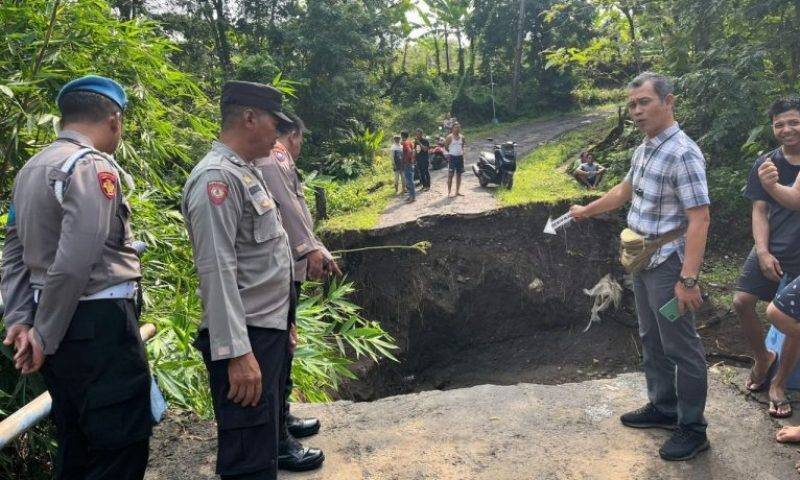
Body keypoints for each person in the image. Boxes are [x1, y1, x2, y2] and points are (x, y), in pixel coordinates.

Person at [1, 75, 152, 479]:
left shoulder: (31, 170)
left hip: (53, 324)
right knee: (119, 445)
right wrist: (42, 335)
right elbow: (74, 261)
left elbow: (13, 254)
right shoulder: (89, 166)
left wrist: (20, 319)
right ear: (114, 120)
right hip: (96, 326)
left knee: (77, 440)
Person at [569, 72, 711, 461]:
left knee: (682, 348)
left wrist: (688, 279)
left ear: (669, 102)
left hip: (670, 264)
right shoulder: (645, 148)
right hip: (643, 260)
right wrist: (586, 209)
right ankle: (664, 408)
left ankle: (693, 428)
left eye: (644, 102)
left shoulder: (683, 152)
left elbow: (700, 219)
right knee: (651, 338)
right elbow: (624, 191)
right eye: (632, 105)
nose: (636, 111)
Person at [181, 80, 295, 480]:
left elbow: (264, 260)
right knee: (247, 456)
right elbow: (217, 269)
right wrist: (236, 353)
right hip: (244, 338)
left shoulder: (245, 172)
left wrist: (285, 323)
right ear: (249, 117)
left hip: (265, 330)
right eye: (273, 123)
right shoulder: (216, 178)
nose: (278, 134)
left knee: (262, 447)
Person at [256, 111, 342, 472]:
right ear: (291, 136)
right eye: (301, 139)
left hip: (285, 266)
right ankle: (277, 439)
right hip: (280, 269)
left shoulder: (269, 158)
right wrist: (312, 248)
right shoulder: (277, 157)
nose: (300, 147)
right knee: (278, 352)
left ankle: (282, 419)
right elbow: (291, 211)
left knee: (284, 350)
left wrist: (313, 245)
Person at [733, 97, 800, 419]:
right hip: (773, 245)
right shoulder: (766, 162)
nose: (787, 129)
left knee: (789, 320)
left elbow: (796, 200)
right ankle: (763, 358)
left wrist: (772, 185)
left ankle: (779, 385)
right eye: (779, 124)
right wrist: (762, 250)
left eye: (793, 122)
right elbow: (759, 210)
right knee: (741, 301)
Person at [446, 122, 466, 196]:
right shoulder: (449, 137)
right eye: (455, 127)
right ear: (452, 128)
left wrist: (462, 155)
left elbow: (463, 146)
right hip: (452, 157)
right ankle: (449, 192)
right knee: (450, 175)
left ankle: (457, 191)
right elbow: (446, 146)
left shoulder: (462, 137)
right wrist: (451, 152)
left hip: (460, 157)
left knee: (459, 175)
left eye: (458, 127)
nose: (457, 129)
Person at [401, 130, 416, 203]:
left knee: (409, 181)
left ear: (402, 136)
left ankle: (412, 197)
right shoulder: (410, 142)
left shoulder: (405, 143)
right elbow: (413, 151)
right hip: (410, 163)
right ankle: (411, 195)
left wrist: (407, 160)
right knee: (409, 180)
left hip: (407, 164)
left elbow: (409, 151)